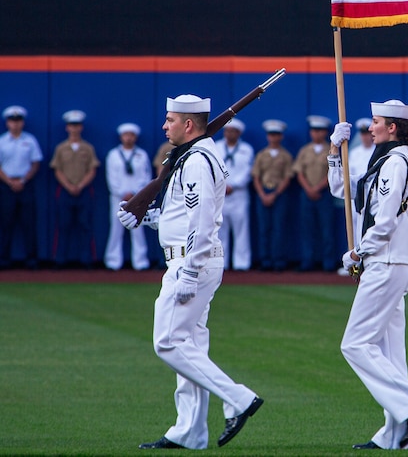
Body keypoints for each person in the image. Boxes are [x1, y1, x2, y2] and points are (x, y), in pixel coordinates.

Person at [117, 94, 263, 450]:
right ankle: (191, 431)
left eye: (170, 120)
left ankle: (238, 398)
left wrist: (190, 272)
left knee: (167, 342)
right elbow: (184, 213)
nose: (164, 126)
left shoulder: (197, 160)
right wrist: (148, 217)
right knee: (190, 344)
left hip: (191, 261)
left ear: (187, 124)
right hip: (188, 256)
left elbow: (201, 220)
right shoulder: (189, 157)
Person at [326, 100, 408, 450]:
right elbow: (345, 193)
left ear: (392, 127)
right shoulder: (384, 159)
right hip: (386, 262)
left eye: (375, 122)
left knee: (355, 344)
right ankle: (394, 437)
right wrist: (334, 151)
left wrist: (359, 252)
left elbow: (386, 220)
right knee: (391, 355)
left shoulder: (396, 161)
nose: (369, 128)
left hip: (386, 261)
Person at [51, 110, 99, 268]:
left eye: (77, 125)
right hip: (65, 190)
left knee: (85, 225)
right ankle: (59, 260)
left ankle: (86, 260)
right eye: (72, 125)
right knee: (63, 225)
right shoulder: (61, 148)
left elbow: (92, 169)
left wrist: (80, 185)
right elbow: (57, 169)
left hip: (84, 190)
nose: (74, 128)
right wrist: (68, 185)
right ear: (67, 127)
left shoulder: (88, 148)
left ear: (81, 127)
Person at [104, 122, 152, 272]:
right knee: (116, 229)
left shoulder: (141, 154)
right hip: (118, 198)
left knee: (137, 228)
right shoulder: (113, 155)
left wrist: (136, 193)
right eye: (126, 135)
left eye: (131, 135)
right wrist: (121, 192)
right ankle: (113, 261)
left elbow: (146, 176)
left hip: (137, 198)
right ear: (121, 137)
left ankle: (140, 261)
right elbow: (111, 177)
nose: (129, 138)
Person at [0, 105, 43, 270]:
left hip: (25, 185)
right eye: (12, 121)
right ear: (7, 122)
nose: (15, 124)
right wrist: (10, 182)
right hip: (6, 186)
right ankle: (4, 259)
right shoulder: (2, 141)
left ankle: (31, 259)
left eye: (18, 121)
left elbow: (35, 163)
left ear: (22, 123)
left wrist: (23, 180)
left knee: (28, 224)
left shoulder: (30, 140)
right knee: (6, 223)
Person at [293, 115, 335, 272]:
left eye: (320, 130)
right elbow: (299, 172)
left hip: (324, 194)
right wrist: (308, 189)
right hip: (307, 193)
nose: (316, 133)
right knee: (307, 229)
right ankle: (307, 261)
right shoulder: (305, 150)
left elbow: (333, 173)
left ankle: (328, 263)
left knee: (327, 229)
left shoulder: (330, 150)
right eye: (314, 130)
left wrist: (317, 188)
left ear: (325, 132)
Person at [252, 119, 294, 271]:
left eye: (276, 134)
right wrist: (263, 194)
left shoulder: (286, 156)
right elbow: (256, 176)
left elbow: (287, 177)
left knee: (278, 228)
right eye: (271, 134)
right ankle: (265, 261)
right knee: (264, 229)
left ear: (281, 136)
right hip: (263, 192)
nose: (273, 137)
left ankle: (278, 260)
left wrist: (274, 194)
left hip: (278, 193)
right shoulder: (262, 155)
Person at [213, 118, 253, 271]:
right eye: (227, 131)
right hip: (220, 193)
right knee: (220, 230)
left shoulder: (246, 149)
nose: (229, 133)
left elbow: (247, 172)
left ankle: (242, 263)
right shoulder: (217, 147)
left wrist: (234, 185)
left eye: (232, 131)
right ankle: (222, 262)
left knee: (241, 229)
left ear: (238, 133)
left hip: (239, 194)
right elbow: (214, 169)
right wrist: (223, 185)